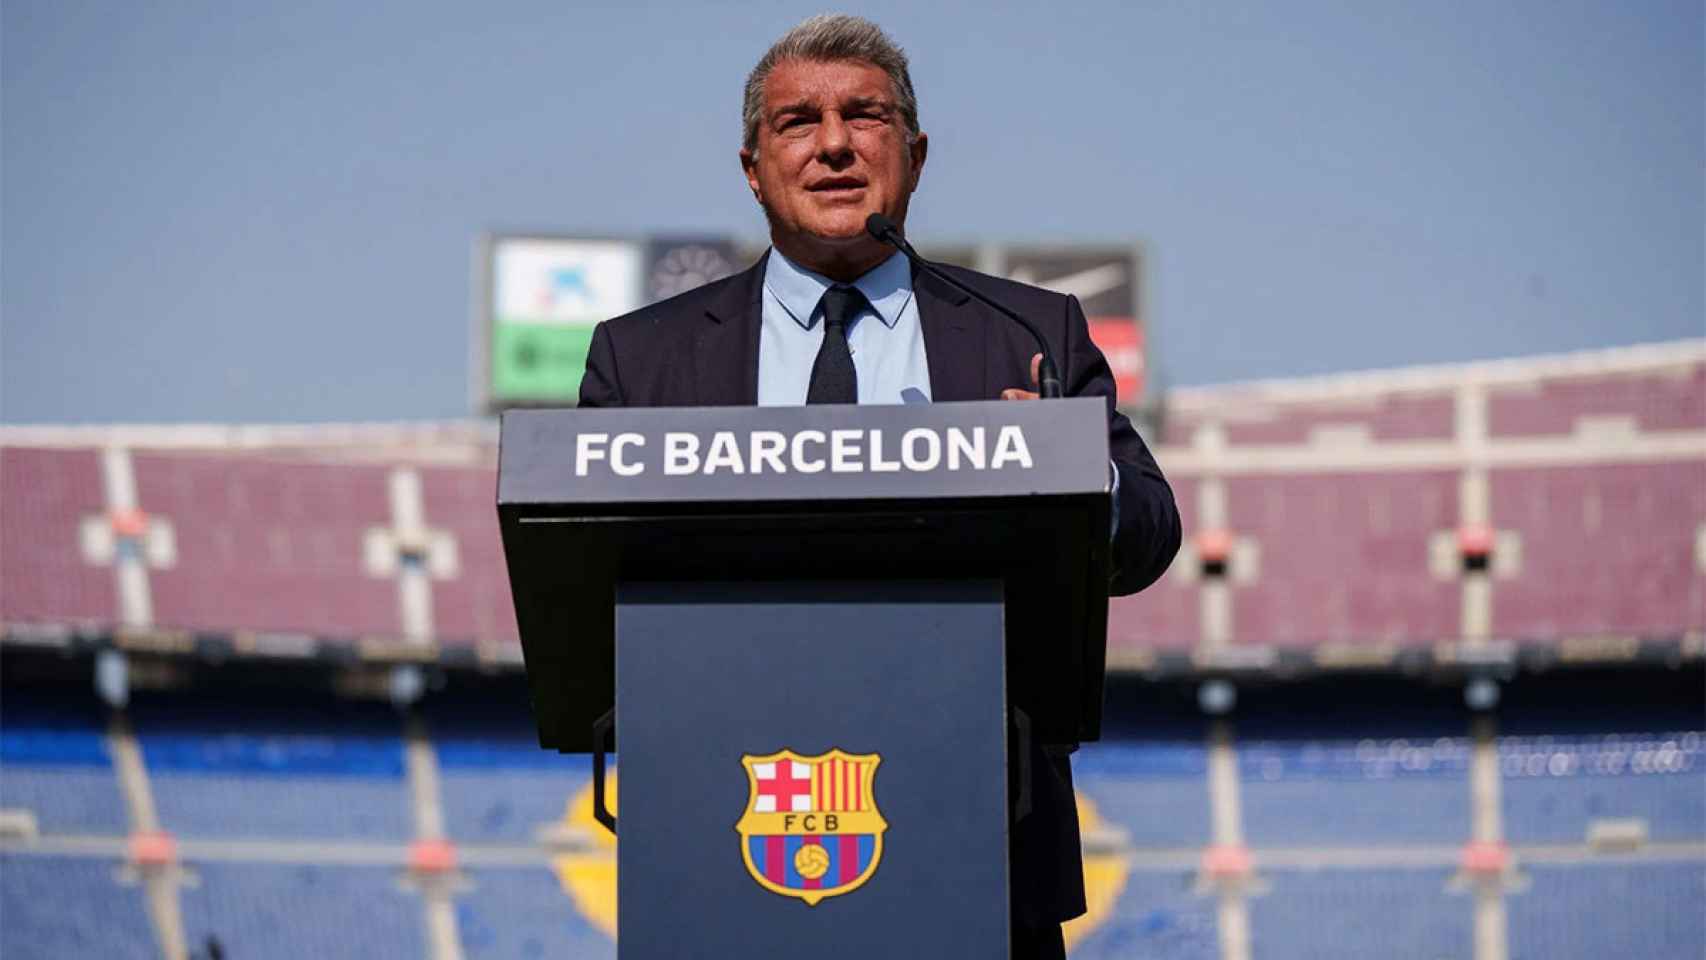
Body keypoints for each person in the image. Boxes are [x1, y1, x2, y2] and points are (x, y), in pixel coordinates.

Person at [579, 14, 1181, 958]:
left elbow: (1148, 534)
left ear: (915, 152)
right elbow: (587, 594)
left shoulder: (1026, 332)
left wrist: (1067, 470)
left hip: (991, 853)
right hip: (713, 846)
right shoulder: (642, 359)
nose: (832, 145)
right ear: (751, 166)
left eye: (865, 116)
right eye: (796, 122)